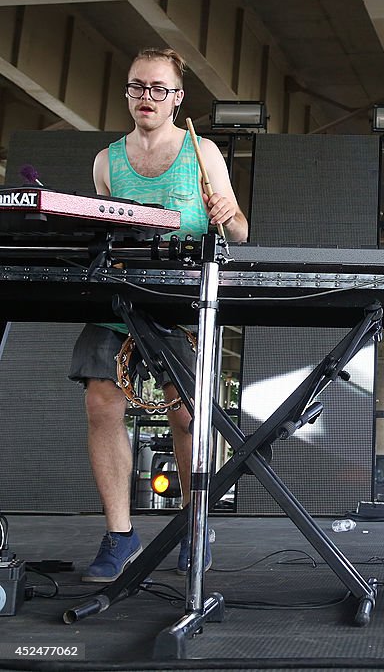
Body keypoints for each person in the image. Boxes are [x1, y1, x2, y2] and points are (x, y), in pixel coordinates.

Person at [69, 47, 248, 583]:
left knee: (187, 416)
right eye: (137, 87)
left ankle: (196, 527)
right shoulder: (107, 161)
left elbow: (239, 231)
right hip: (122, 297)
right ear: (127, 92)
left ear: (177, 98)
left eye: (158, 89)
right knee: (102, 402)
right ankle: (121, 536)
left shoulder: (204, 153)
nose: (146, 97)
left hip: (182, 301)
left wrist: (227, 214)